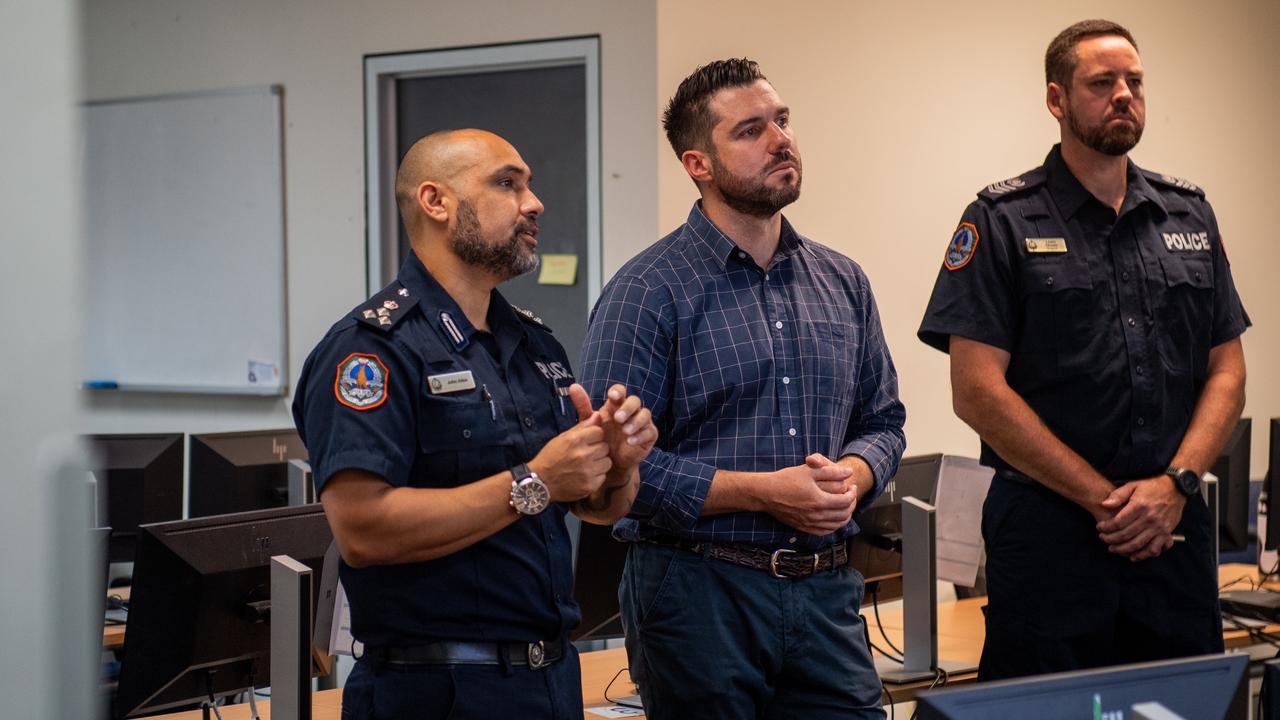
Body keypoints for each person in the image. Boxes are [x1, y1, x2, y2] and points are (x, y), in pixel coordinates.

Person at [918, 19, 1250, 681]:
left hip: (1173, 530)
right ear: (1057, 100)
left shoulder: (1189, 215)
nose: (1124, 94)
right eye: (1103, 83)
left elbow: (1227, 371)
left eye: (1135, 82)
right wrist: (1109, 502)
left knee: (1183, 702)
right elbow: (978, 391)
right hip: (1050, 537)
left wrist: (1175, 485)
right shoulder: (1001, 219)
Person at [579, 58, 905, 720]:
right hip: (698, 592)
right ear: (698, 164)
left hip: (826, 592)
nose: (781, 140)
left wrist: (851, 475)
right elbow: (607, 466)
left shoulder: (842, 281)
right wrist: (763, 492)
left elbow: (886, 420)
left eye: (782, 121)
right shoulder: (647, 292)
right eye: (751, 130)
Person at [292, 129, 657, 719]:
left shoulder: (534, 342)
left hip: (548, 680)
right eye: (507, 183)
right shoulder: (372, 350)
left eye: (530, 185)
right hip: (437, 689)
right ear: (436, 202)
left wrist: (615, 465)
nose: (533, 202)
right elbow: (362, 532)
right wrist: (535, 480)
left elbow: (594, 508)